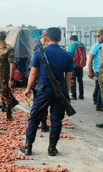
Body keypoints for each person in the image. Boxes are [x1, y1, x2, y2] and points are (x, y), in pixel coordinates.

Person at [21, 27, 73, 156]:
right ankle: (52, 148)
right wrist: (66, 93)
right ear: (60, 38)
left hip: (43, 90)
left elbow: (33, 72)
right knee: (56, 120)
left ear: (47, 38)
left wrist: (28, 88)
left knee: (34, 118)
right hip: (59, 91)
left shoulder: (39, 52)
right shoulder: (67, 55)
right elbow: (68, 77)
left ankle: (28, 147)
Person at [32, 31, 50, 132]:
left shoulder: (38, 50)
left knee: (40, 105)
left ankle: (42, 123)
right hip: (48, 82)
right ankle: (43, 123)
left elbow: (33, 70)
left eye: (42, 39)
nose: (40, 40)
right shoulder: (59, 50)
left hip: (41, 82)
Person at [68, 35, 87, 100]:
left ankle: (74, 95)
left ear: (72, 39)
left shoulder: (72, 45)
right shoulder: (83, 45)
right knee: (80, 80)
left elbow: (69, 55)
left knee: (73, 80)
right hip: (80, 65)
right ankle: (81, 95)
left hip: (73, 65)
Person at [88, 42, 103, 111]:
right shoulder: (96, 46)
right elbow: (90, 59)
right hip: (98, 70)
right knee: (101, 87)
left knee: (98, 85)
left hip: (102, 70)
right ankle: (99, 105)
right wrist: (90, 71)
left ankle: (95, 100)